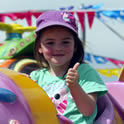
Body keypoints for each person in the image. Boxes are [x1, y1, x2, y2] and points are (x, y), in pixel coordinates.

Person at [30, 10, 108, 124]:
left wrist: (74, 86)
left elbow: (88, 111)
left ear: (75, 45)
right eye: (50, 43)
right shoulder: (35, 77)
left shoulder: (85, 72)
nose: (58, 48)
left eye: (65, 42)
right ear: (39, 47)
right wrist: (20, 84)